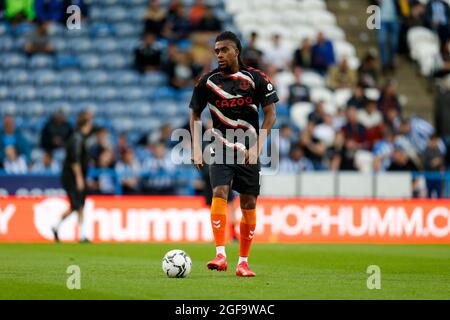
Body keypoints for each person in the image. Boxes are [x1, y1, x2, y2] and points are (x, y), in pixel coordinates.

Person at [189, 31, 278, 277]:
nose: (219, 55)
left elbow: (270, 115)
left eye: (224, 50)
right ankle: (220, 254)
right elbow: (195, 113)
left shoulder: (256, 79)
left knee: (249, 203)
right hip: (220, 147)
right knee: (220, 192)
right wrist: (196, 147)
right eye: (216, 51)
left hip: (249, 148)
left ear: (236, 51)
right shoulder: (207, 81)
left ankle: (243, 262)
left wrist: (258, 147)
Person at [52, 111, 93, 243]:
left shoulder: (79, 137)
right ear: (85, 125)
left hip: (75, 177)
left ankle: (81, 235)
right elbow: (75, 161)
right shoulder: (77, 138)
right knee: (76, 205)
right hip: (72, 178)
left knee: (80, 205)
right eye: (89, 124)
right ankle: (56, 226)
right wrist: (79, 178)